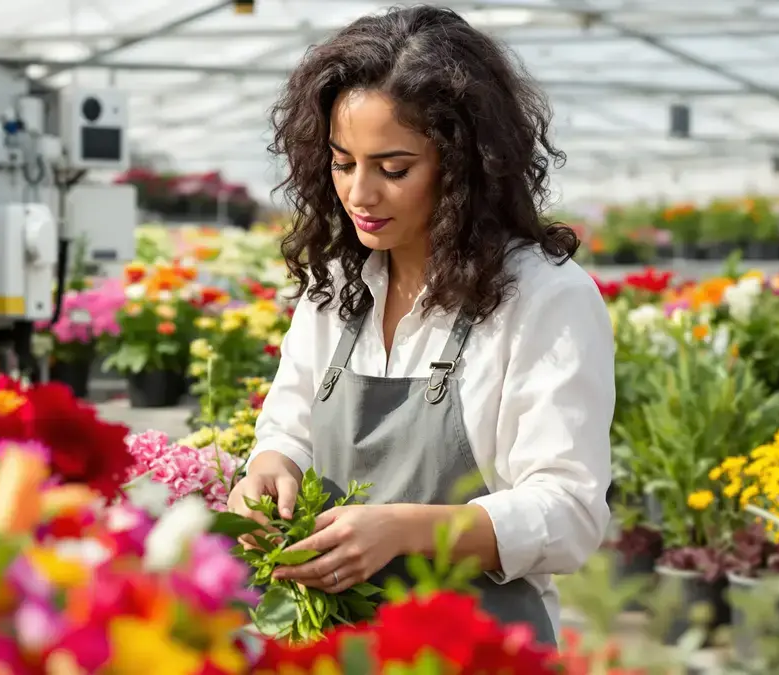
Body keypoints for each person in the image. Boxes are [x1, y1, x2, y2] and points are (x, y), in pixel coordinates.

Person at [226, 5, 614, 644]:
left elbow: (569, 512)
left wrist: (405, 530)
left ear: (465, 166)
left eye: (394, 168)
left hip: (478, 645)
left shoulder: (542, 297)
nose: (359, 195)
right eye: (342, 162)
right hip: (334, 641)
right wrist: (271, 465)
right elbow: (289, 426)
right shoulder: (339, 286)